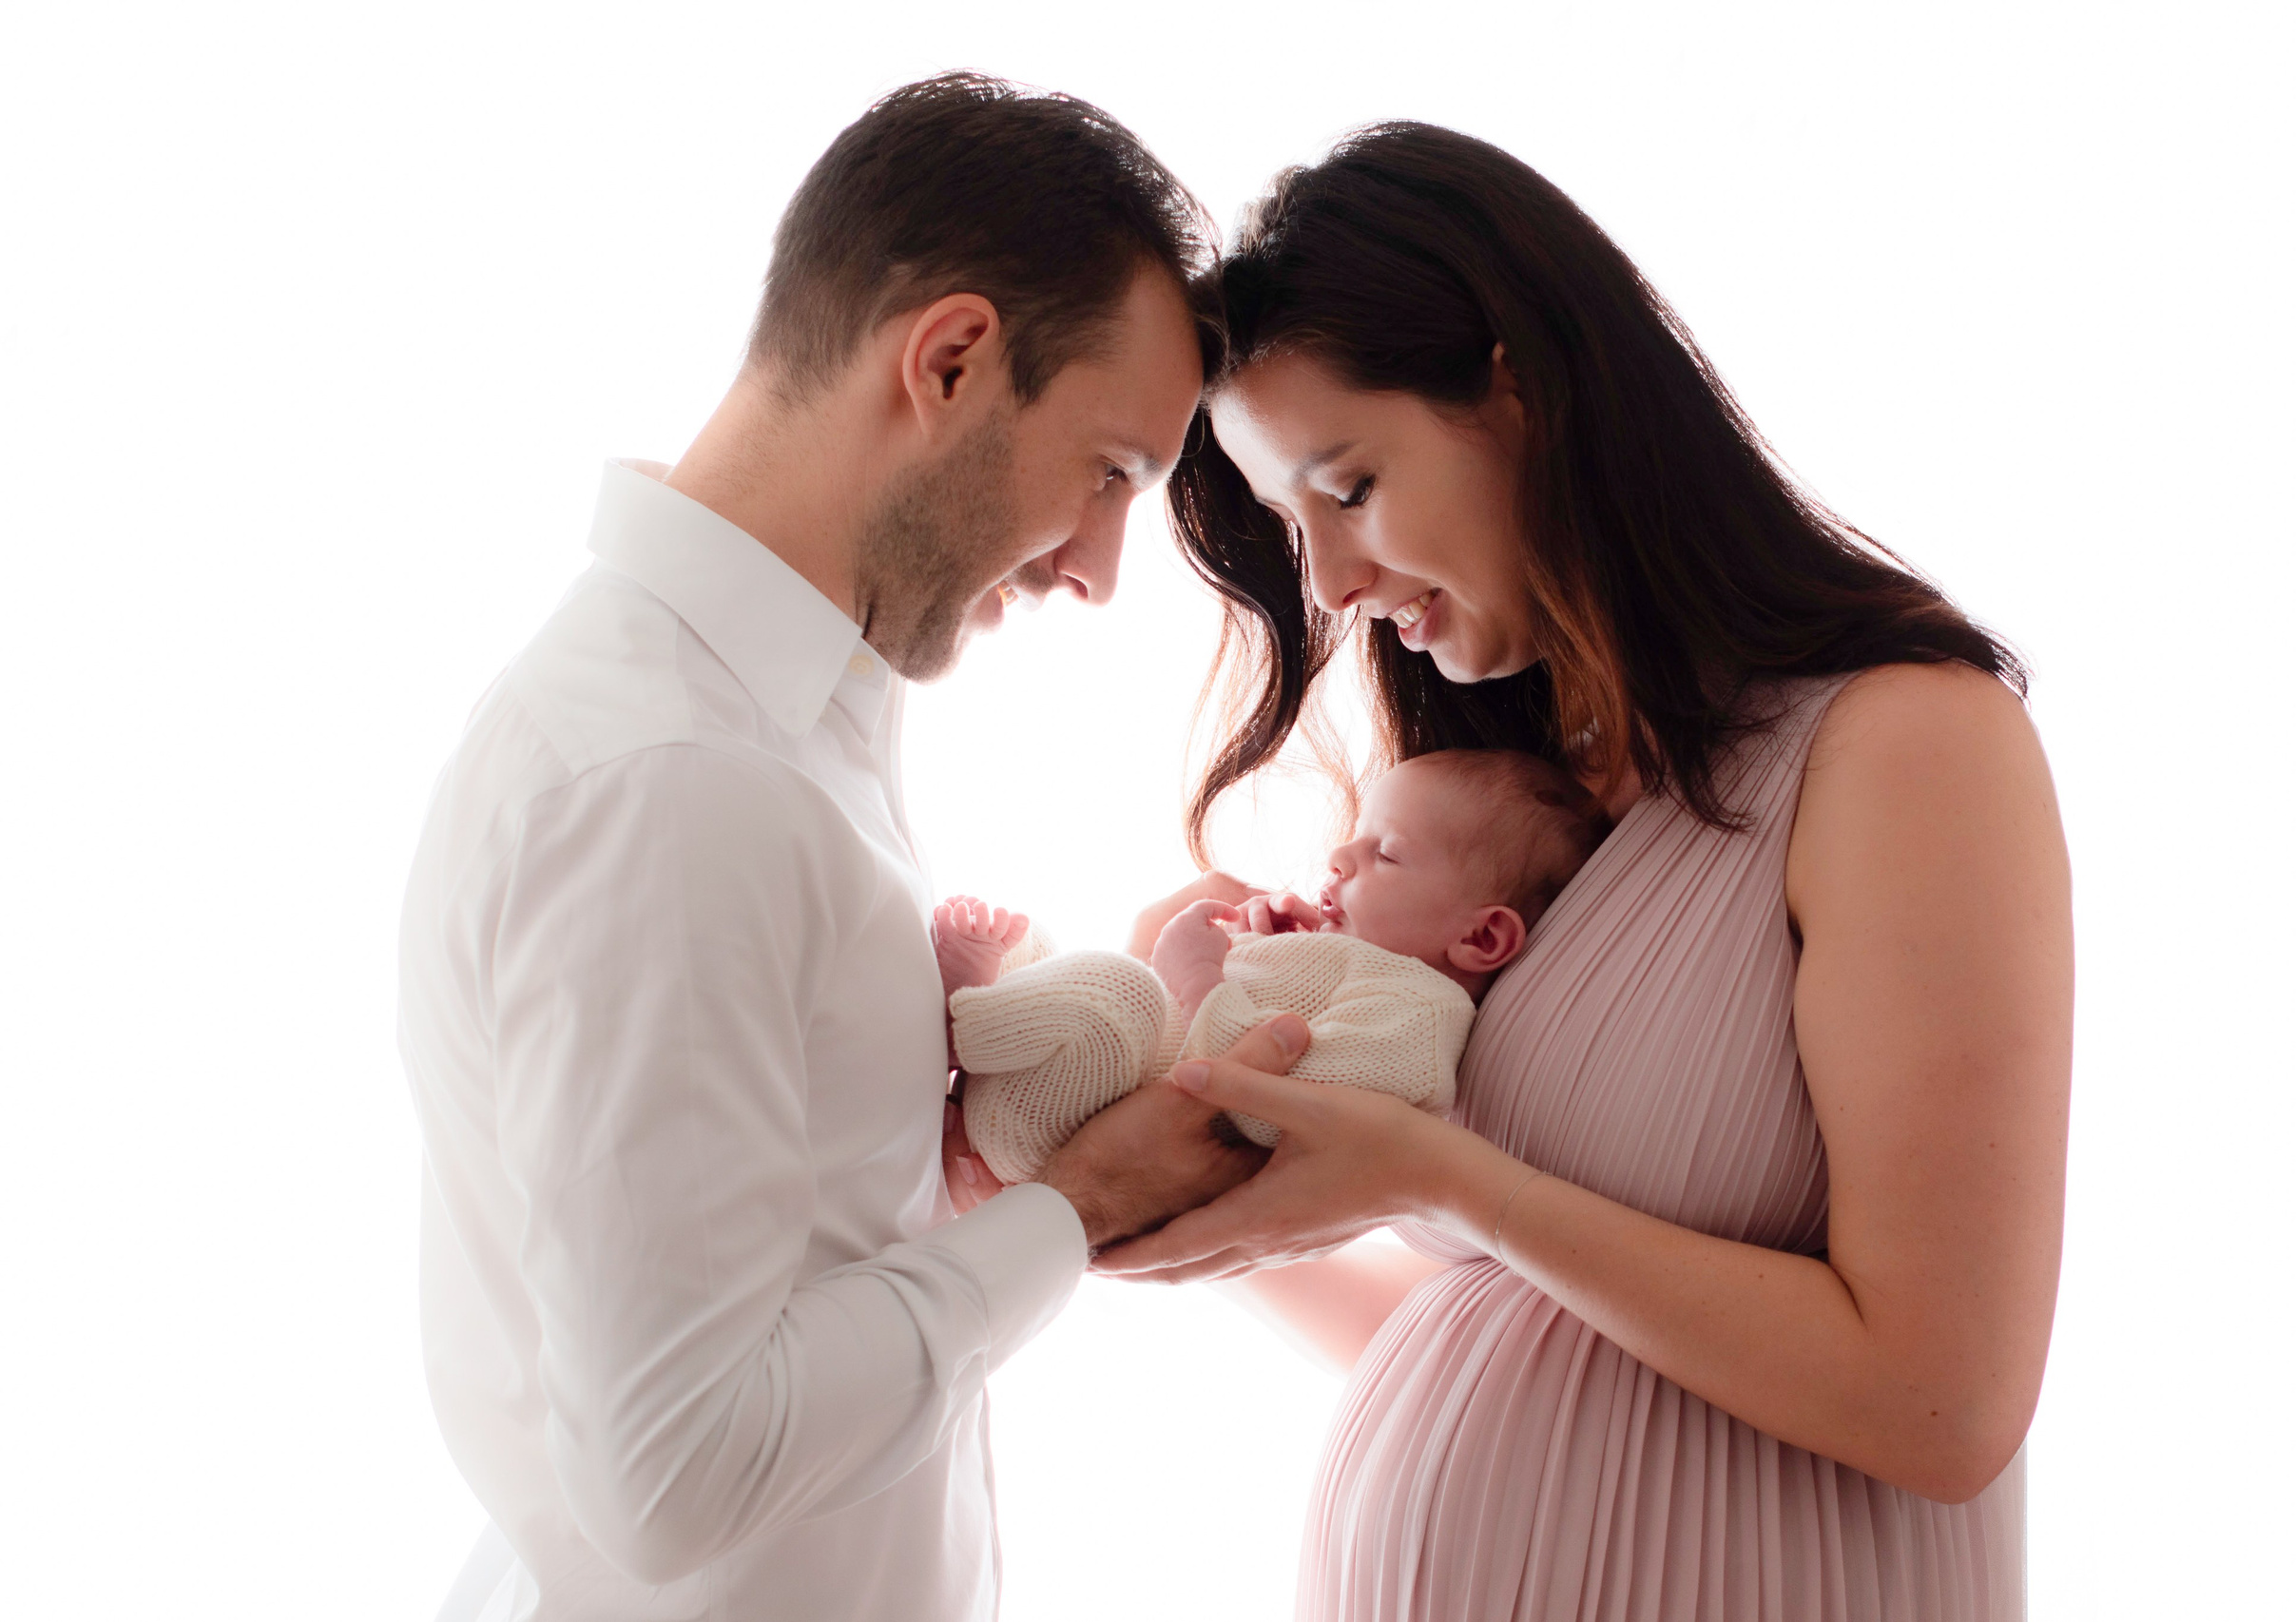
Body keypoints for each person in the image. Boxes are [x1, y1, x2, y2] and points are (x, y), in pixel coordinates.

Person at [1100, 123, 2074, 1621]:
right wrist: (1193, 1195)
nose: (1333, 584)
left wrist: (1434, 1173)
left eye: (1349, 487)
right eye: (1295, 529)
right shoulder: (1510, 787)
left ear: (1523, 391)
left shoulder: (1902, 746)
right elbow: (1533, 1322)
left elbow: (1943, 1402)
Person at [396, 75, 1305, 1622]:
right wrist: (1074, 1209)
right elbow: (677, 1470)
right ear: (949, 360)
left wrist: (940, 1184)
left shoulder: (773, 729)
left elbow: (753, 1290)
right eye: (1108, 474)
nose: (1098, 569)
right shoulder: (673, 781)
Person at [933, 748, 1610, 1182]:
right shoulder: (1354, 962)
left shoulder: (1423, 1018)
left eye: (1386, 854)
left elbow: (1278, 1111)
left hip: (1064, 1131)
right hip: (1067, 1083)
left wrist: (1201, 983)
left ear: (1483, 937)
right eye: (1356, 836)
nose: (1339, 856)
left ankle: (955, 1030)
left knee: (1124, 988)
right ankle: (978, 1004)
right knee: (1038, 942)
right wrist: (1254, 947)